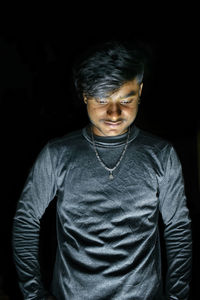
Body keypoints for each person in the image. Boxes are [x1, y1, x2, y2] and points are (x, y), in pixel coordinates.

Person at [12, 41, 192, 300]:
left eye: (126, 100)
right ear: (84, 94)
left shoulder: (161, 154)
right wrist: (34, 294)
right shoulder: (57, 154)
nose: (114, 113)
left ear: (140, 91)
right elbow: (26, 220)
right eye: (102, 100)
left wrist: (176, 297)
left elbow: (177, 228)